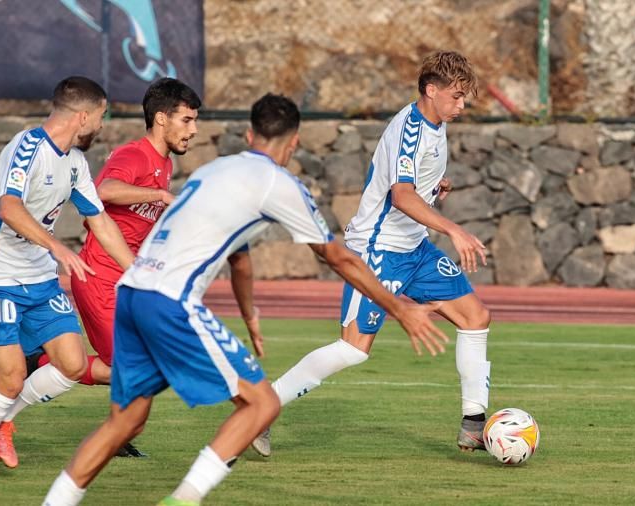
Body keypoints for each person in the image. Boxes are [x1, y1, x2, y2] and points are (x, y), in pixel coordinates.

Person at [42, 93, 448, 506]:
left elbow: (240, 258)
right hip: (171, 301)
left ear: (250, 135)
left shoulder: (216, 169)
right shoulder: (279, 183)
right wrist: (399, 308)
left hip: (132, 292)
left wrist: (249, 314)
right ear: (294, 143)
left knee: (126, 421)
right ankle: (182, 499)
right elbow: (338, 257)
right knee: (262, 404)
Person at [252, 50, 491, 458]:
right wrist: (454, 229)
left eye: (464, 97)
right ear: (431, 90)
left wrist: (435, 187)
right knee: (353, 348)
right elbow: (400, 196)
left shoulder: (436, 124)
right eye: (456, 96)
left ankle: (474, 424)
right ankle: (262, 408)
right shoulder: (409, 129)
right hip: (378, 250)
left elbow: (409, 184)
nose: (462, 105)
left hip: (414, 249)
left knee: (475, 317)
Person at [29, 77, 202, 459]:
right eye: (187, 120)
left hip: (127, 280)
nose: (193, 130)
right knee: (136, 366)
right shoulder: (135, 155)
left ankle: (114, 428)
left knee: (144, 361)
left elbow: (135, 222)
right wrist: (159, 195)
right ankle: (42, 363)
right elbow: (104, 190)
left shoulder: (164, 163)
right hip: (99, 277)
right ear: (161, 118)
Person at [0, 76, 135, 482]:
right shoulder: (27, 147)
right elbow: (9, 208)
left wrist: (137, 271)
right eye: (100, 116)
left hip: (40, 279)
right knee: (11, 377)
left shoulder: (76, 162)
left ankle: (4, 419)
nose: (101, 125)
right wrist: (57, 247)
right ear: (83, 116)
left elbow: (100, 221)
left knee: (72, 364)